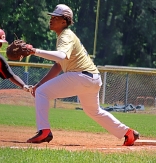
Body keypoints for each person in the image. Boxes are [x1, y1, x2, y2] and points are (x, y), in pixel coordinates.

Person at [25, 4, 140, 146]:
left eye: (55, 17)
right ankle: (127, 133)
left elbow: (61, 55)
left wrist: (34, 51)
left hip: (81, 76)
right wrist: (38, 85)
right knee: (94, 111)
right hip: (92, 79)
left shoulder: (65, 35)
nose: (51, 19)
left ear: (64, 21)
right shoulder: (67, 36)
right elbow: (58, 65)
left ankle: (44, 131)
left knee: (42, 93)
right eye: (52, 17)